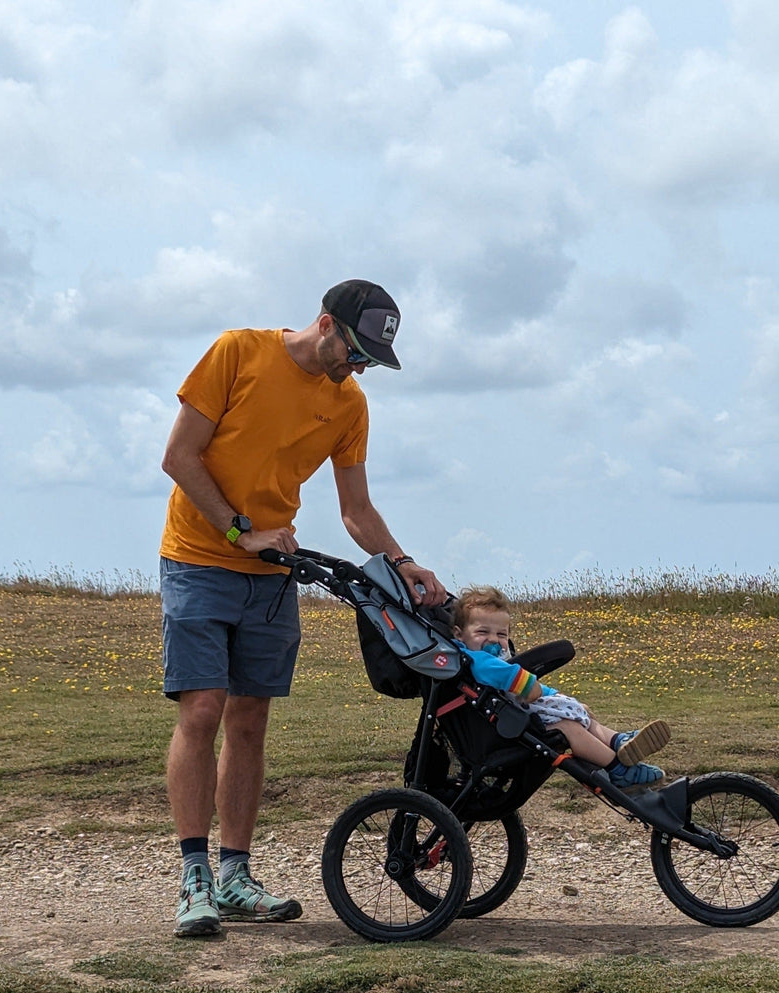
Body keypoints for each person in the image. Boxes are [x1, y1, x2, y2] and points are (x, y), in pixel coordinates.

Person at [159, 279, 446, 938]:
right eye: (357, 351)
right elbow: (179, 456)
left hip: (272, 575)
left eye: (371, 360)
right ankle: (194, 877)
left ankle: (235, 877)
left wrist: (404, 565)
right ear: (325, 324)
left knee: (250, 720)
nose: (360, 367)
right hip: (200, 558)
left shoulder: (349, 406)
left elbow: (355, 510)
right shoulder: (237, 353)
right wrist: (240, 530)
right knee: (202, 709)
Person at [451, 586, 670, 788]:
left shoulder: (486, 659)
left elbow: (534, 688)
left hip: (512, 717)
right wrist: (536, 690)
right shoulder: (480, 661)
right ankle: (618, 768)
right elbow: (525, 685)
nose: (493, 640)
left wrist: (561, 698)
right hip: (506, 728)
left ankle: (618, 741)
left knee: (580, 715)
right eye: (483, 632)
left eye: (501, 635)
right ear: (459, 634)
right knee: (567, 727)